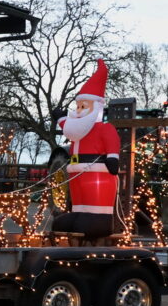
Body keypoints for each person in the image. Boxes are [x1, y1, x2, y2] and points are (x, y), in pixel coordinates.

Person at [51, 59, 120, 239]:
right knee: (79, 199)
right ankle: (77, 213)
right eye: (78, 106)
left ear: (96, 107)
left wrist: (113, 157)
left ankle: (100, 219)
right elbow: (70, 129)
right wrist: (60, 118)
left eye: (84, 106)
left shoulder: (104, 128)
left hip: (96, 170)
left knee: (93, 196)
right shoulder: (78, 131)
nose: (80, 110)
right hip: (76, 170)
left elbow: (112, 142)